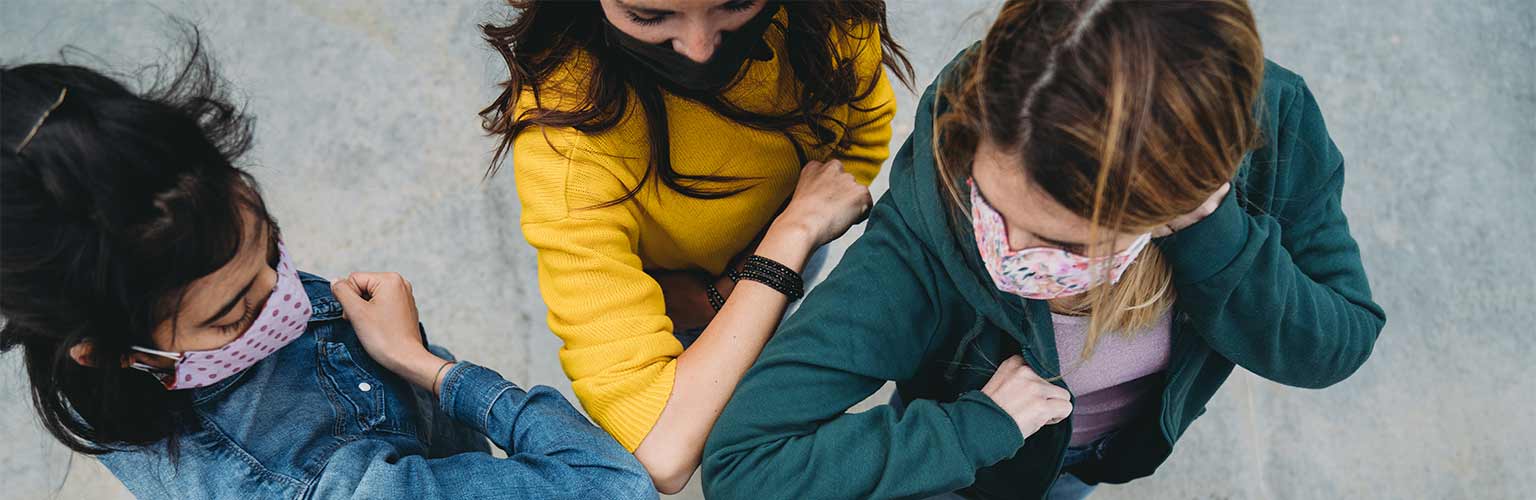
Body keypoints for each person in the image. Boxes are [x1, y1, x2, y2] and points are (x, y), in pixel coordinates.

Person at [702, 1, 1387, 498]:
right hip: (961, 471)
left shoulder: (1278, 124)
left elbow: (1336, 342)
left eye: (1064, 241)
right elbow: (746, 465)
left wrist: (1217, 232)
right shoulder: (924, 236)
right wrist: (979, 428)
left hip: (1098, 459)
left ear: (1176, 202)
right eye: (990, 202)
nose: (1009, 249)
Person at [0, 39, 655, 500]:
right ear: (109, 352)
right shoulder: (318, 480)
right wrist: (428, 367)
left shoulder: (132, 321)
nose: (288, 296)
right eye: (234, 315)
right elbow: (610, 485)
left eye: (272, 250)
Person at [478, 0, 912, 491]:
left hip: (769, 257)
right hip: (670, 306)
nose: (701, 50)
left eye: (737, 4)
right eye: (648, 16)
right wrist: (788, 241)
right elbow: (661, 446)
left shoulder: (830, 16)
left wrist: (756, 269)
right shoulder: (567, 138)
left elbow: (859, 141)